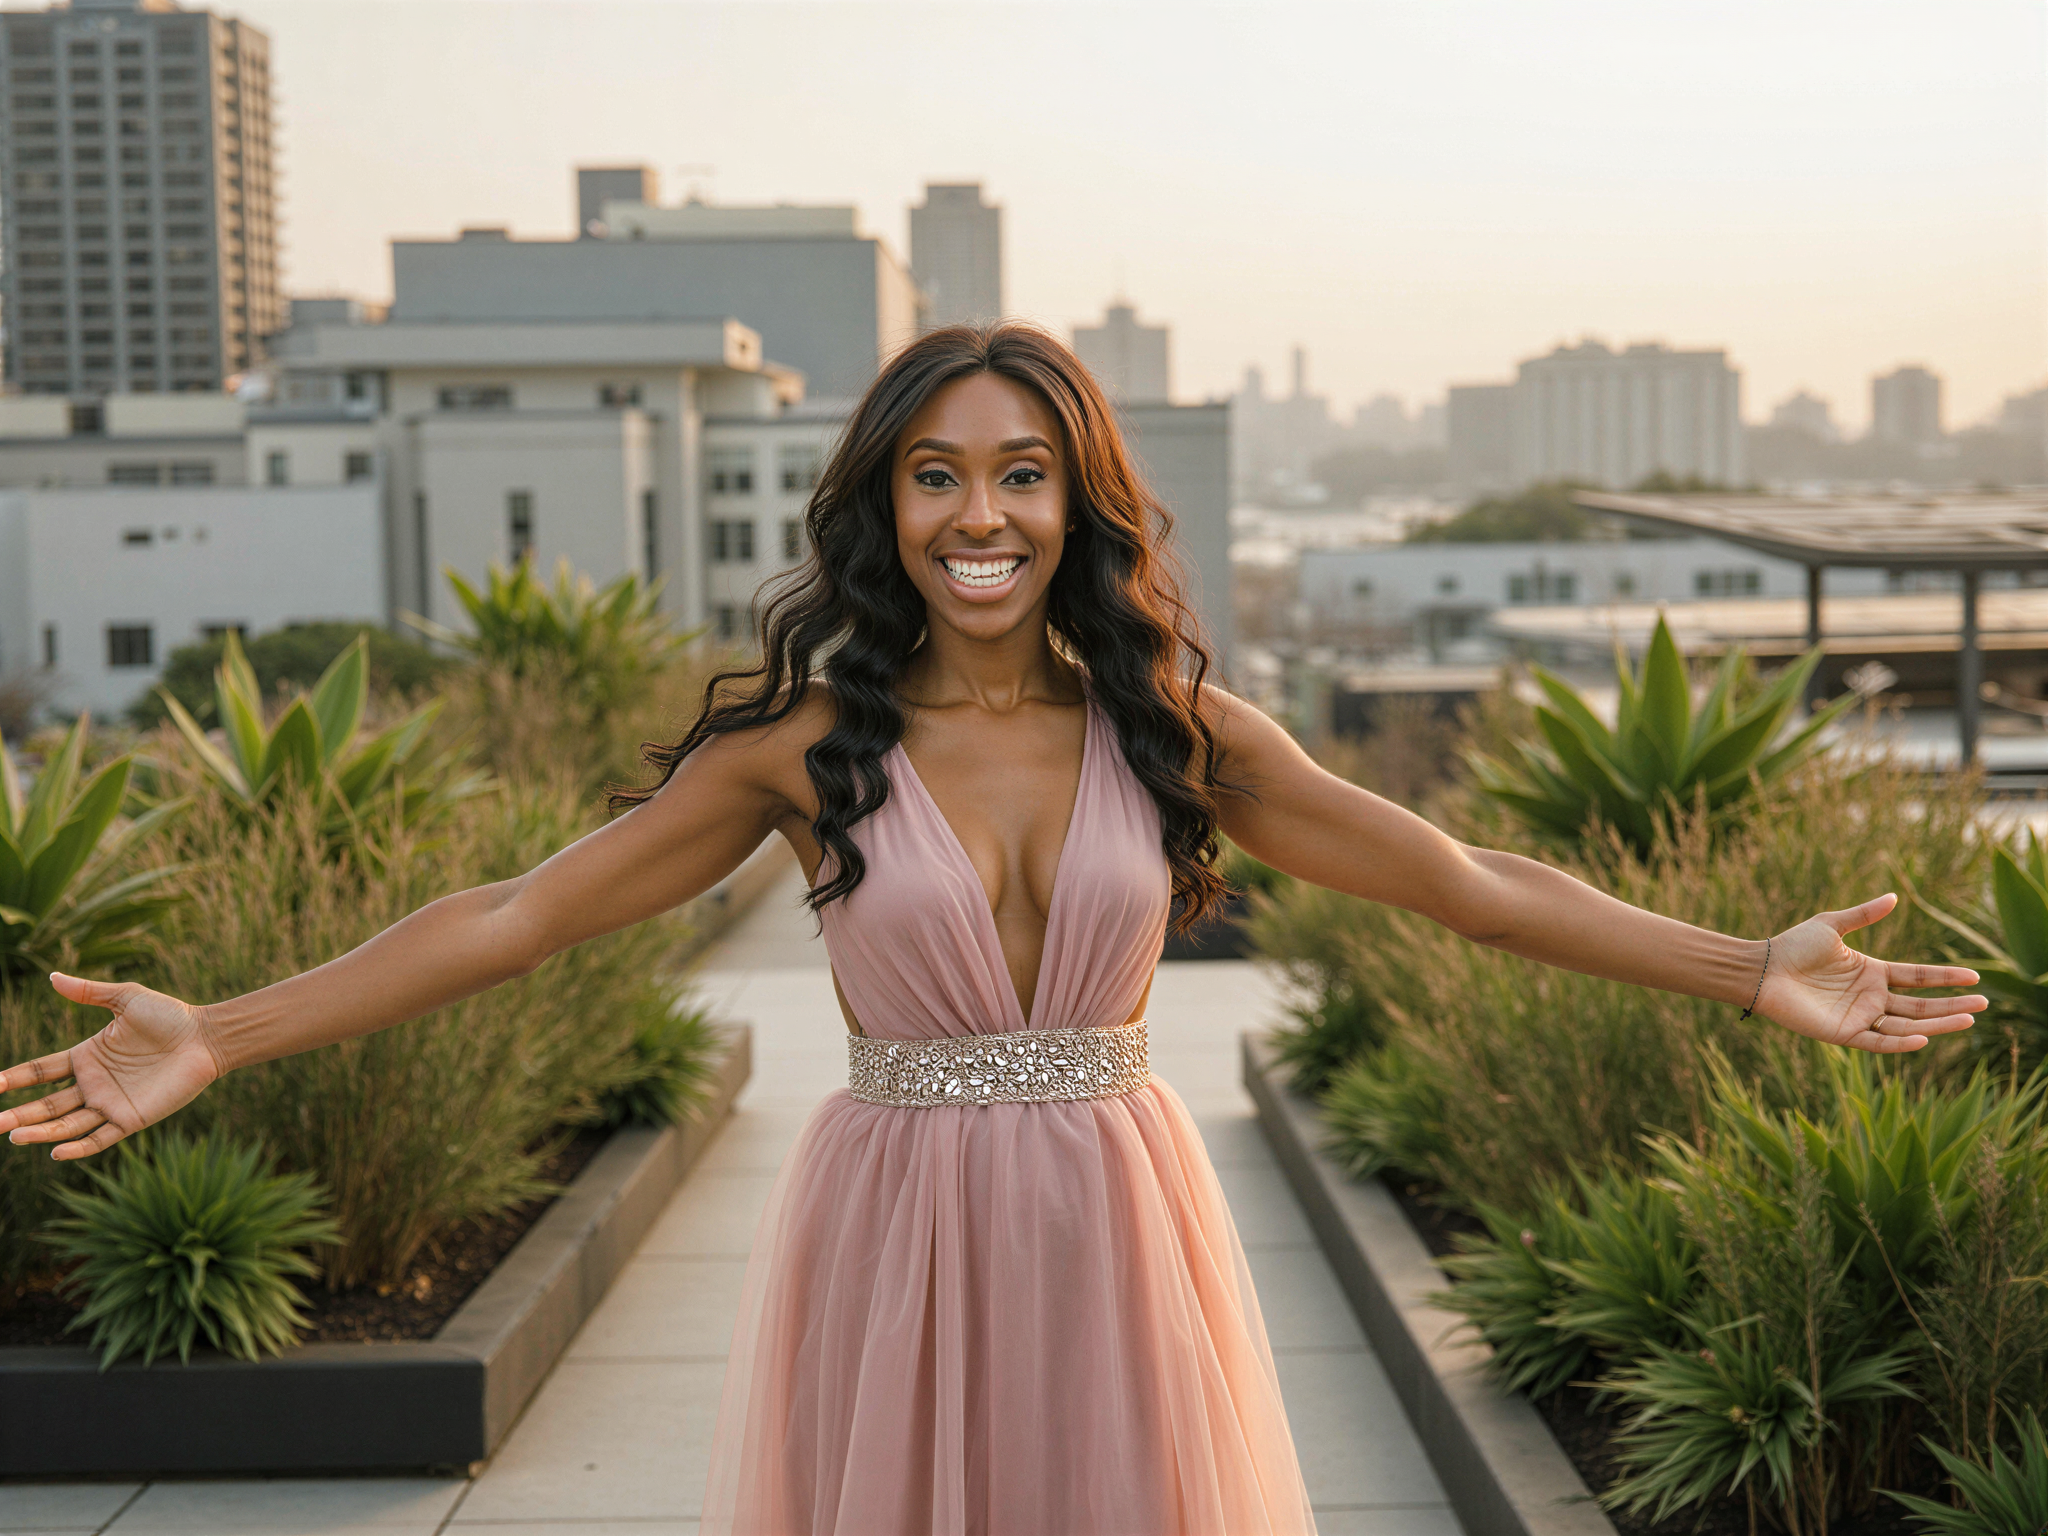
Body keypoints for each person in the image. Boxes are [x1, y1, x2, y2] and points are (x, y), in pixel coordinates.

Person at [0, 322, 1982, 1535]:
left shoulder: (1177, 727)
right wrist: (225, 1033)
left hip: (1119, 1214)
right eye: (936, 475)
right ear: (884, 506)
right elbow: (515, 915)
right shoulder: (797, 749)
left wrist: (1746, 967)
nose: (980, 515)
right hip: (896, 1225)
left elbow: (1463, 879)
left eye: (1022, 475)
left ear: (1077, 499)